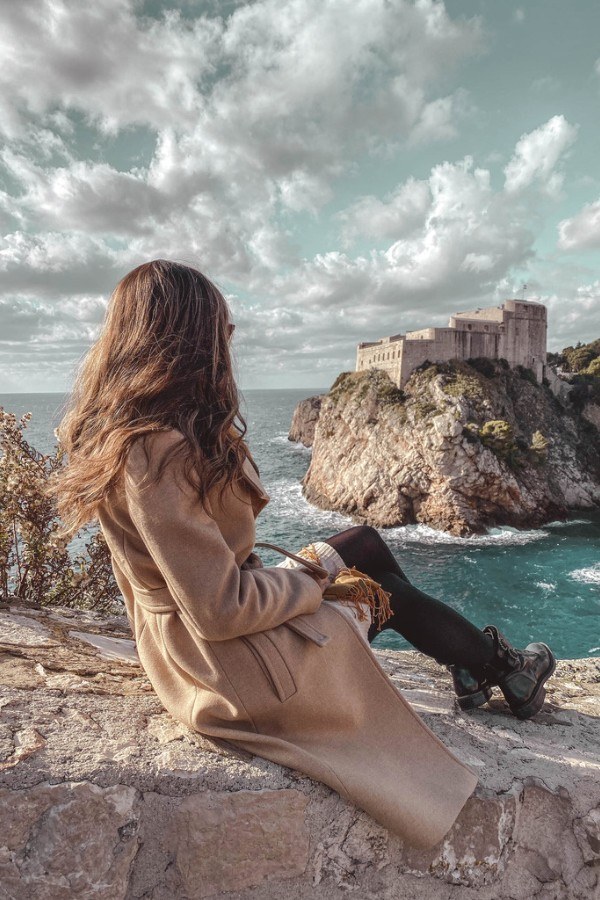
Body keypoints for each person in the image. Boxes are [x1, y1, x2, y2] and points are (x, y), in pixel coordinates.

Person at [47, 259, 556, 851]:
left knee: (361, 543)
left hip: (195, 641)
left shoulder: (128, 433)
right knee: (376, 589)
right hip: (228, 664)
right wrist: (315, 584)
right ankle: (505, 673)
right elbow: (220, 608)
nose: (229, 344)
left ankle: (482, 666)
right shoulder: (158, 454)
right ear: (186, 342)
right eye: (221, 331)